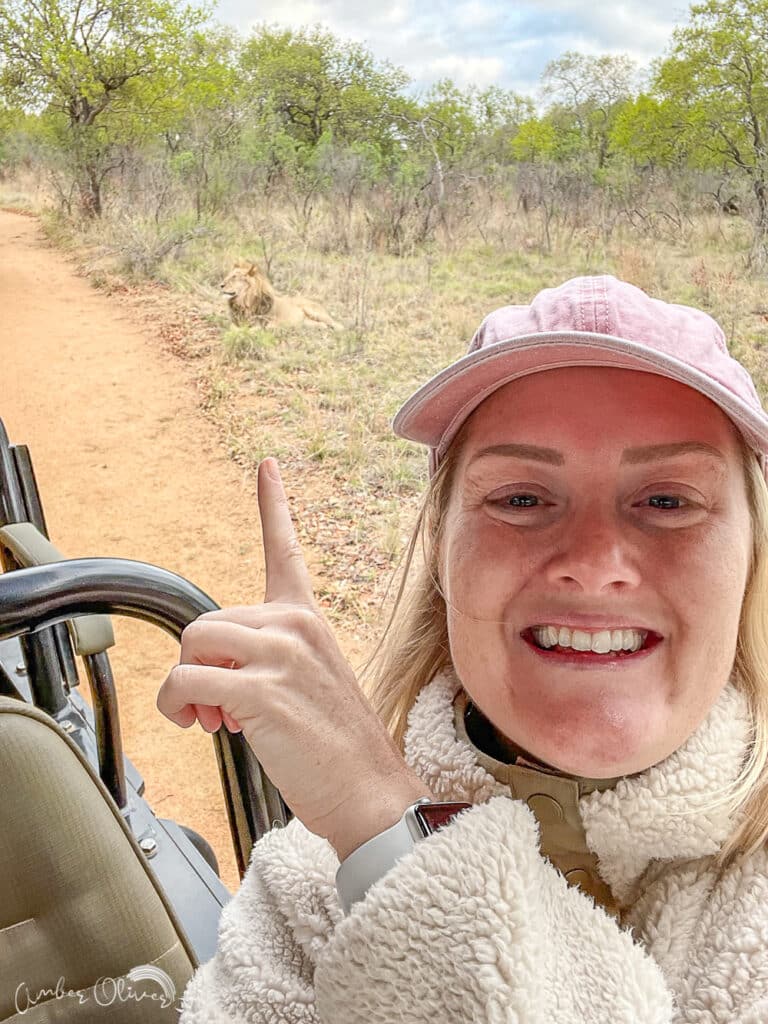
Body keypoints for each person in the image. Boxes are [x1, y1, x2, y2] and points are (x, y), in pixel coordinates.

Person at [157, 274, 768, 1023]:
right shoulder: (309, 884)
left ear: (752, 558)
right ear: (439, 552)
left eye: (668, 500)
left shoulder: (357, 836)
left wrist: (389, 838)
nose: (596, 560)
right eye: (520, 498)